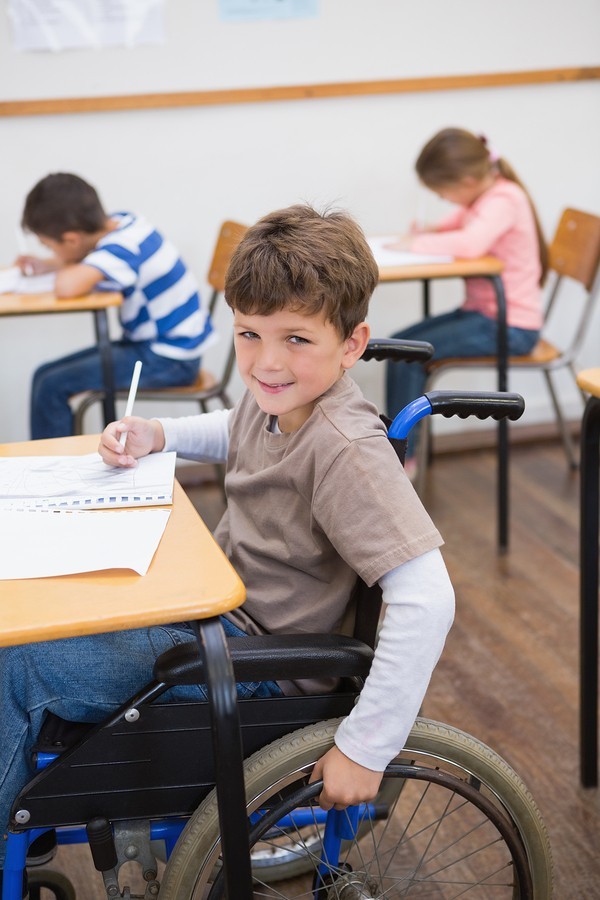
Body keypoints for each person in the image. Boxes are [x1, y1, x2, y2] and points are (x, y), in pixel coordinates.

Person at [0, 205, 454, 892]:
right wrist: (158, 433)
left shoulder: (347, 451)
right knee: (57, 599)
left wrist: (367, 747)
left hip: (253, 669)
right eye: (249, 334)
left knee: (18, 663)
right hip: (221, 623)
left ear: (352, 343)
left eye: (296, 338)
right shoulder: (282, 396)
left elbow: (428, 598)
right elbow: (233, 424)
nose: (267, 362)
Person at [385, 127, 548, 473]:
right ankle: (397, 451)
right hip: (483, 315)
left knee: (408, 355)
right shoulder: (481, 201)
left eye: (443, 191)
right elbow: (452, 230)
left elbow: (470, 244)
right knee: (401, 348)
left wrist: (414, 246)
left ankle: (401, 460)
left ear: (467, 180)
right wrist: (426, 233)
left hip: (511, 326)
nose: (444, 199)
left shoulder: (505, 199)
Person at [17, 173, 216, 440]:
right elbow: (89, 260)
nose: (52, 254)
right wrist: (50, 264)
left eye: (50, 247)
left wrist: (61, 265)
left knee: (52, 385)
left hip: (168, 359)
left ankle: (52, 474)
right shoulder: (125, 223)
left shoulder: (122, 248)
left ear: (72, 240)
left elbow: (67, 287)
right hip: (161, 348)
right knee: (44, 375)